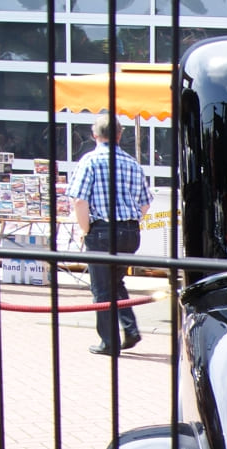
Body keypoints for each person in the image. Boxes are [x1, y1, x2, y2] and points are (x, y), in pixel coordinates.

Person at [70, 113, 152, 357]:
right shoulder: (131, 162)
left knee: (102, 289)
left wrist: (85, 230)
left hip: (103, 231)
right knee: (115, 282)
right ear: (119, 134)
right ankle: (130, 328)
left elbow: (80, 200)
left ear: (95, 135)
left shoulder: (89, 161)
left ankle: (109, 342)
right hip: (129, 232)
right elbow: (145, 204)